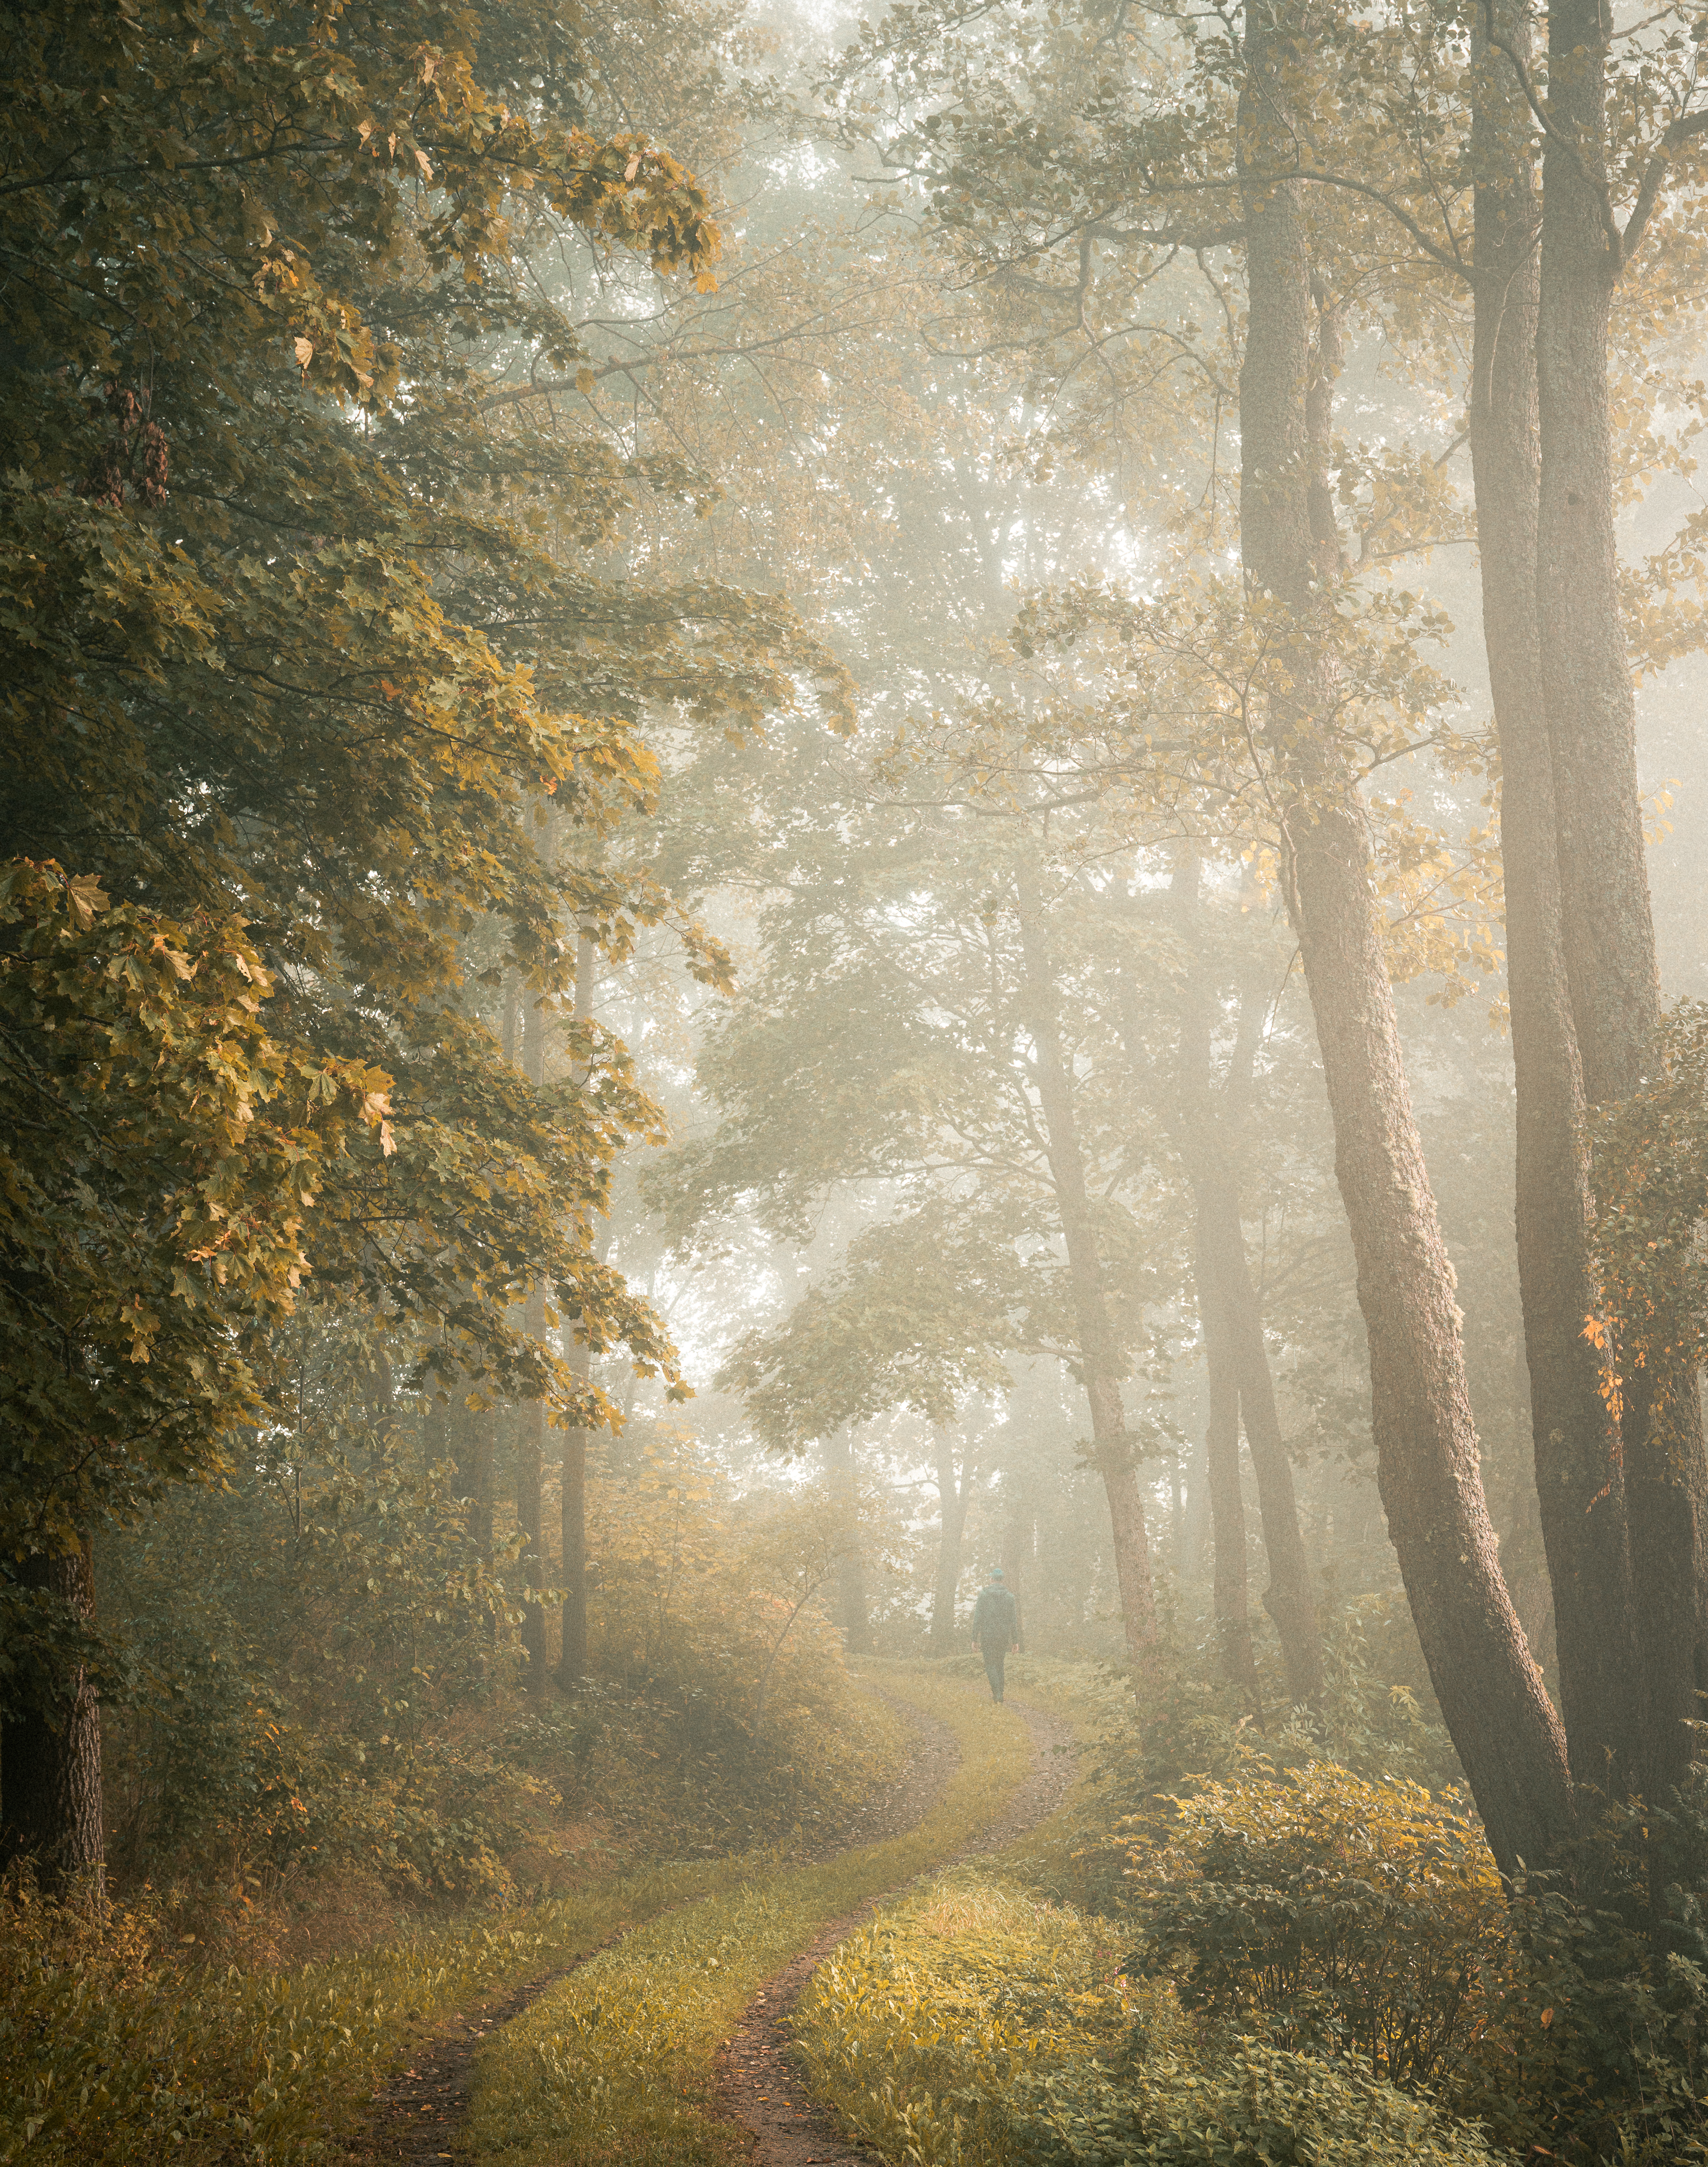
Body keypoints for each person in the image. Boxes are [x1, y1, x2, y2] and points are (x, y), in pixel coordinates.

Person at [969, 1565, 1021, 1703]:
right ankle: (1000, 1694)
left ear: (991, 1579)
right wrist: (1015, 1641)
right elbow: (1013, 1621)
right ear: (1002, 1580)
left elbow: (978, 1618)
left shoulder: (984, 1595)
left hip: (987, 1635)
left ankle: (997, 1693)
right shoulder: (1010, 1597)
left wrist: (974, 1638)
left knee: (990, 1664)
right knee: (999, 1664)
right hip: (1003, 1635)